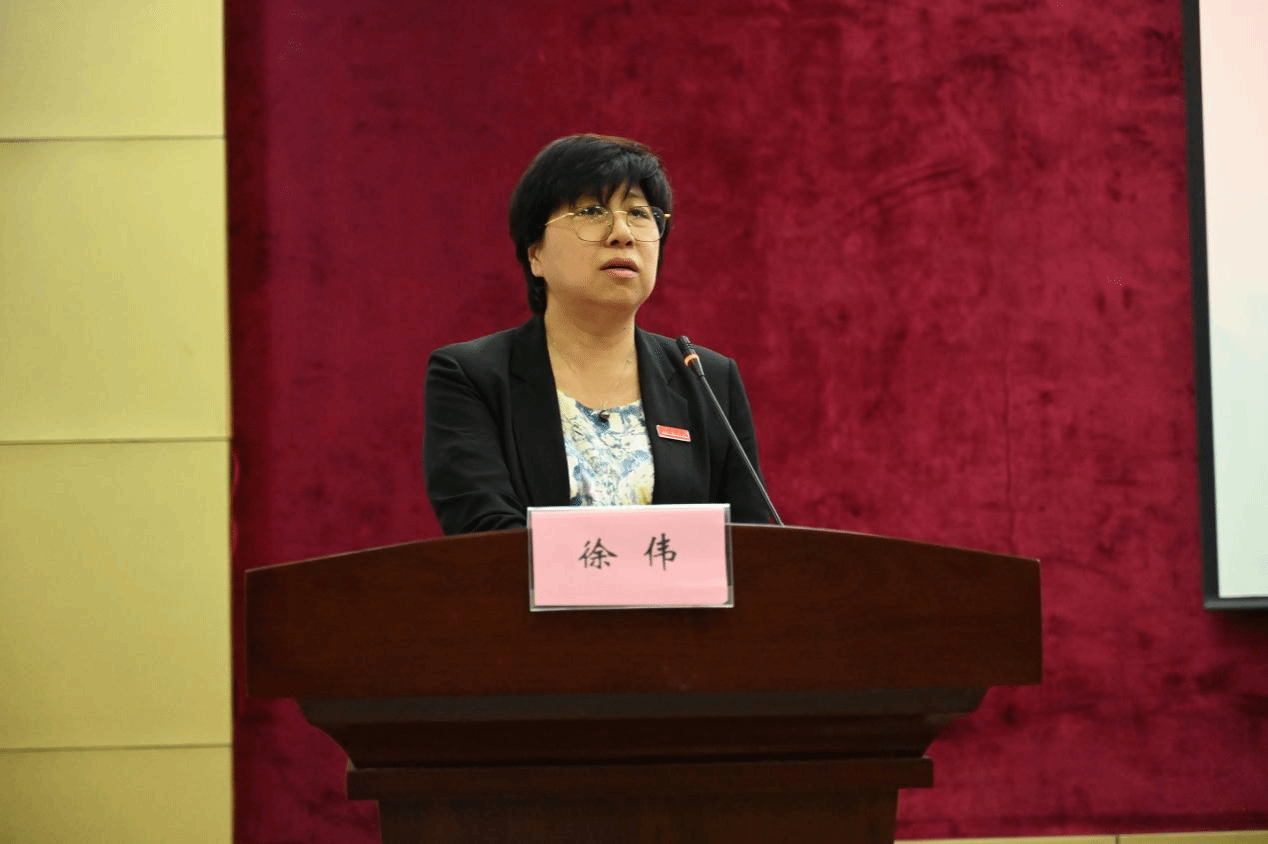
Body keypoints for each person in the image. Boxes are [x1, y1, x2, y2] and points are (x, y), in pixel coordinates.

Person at [423, 134, 770, 535]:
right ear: (535, 254)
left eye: (639, 213)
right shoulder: (472, 376)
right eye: (591, 210)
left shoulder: (707, 378)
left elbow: (750, 545)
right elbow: (485, 535)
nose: (622, 233)